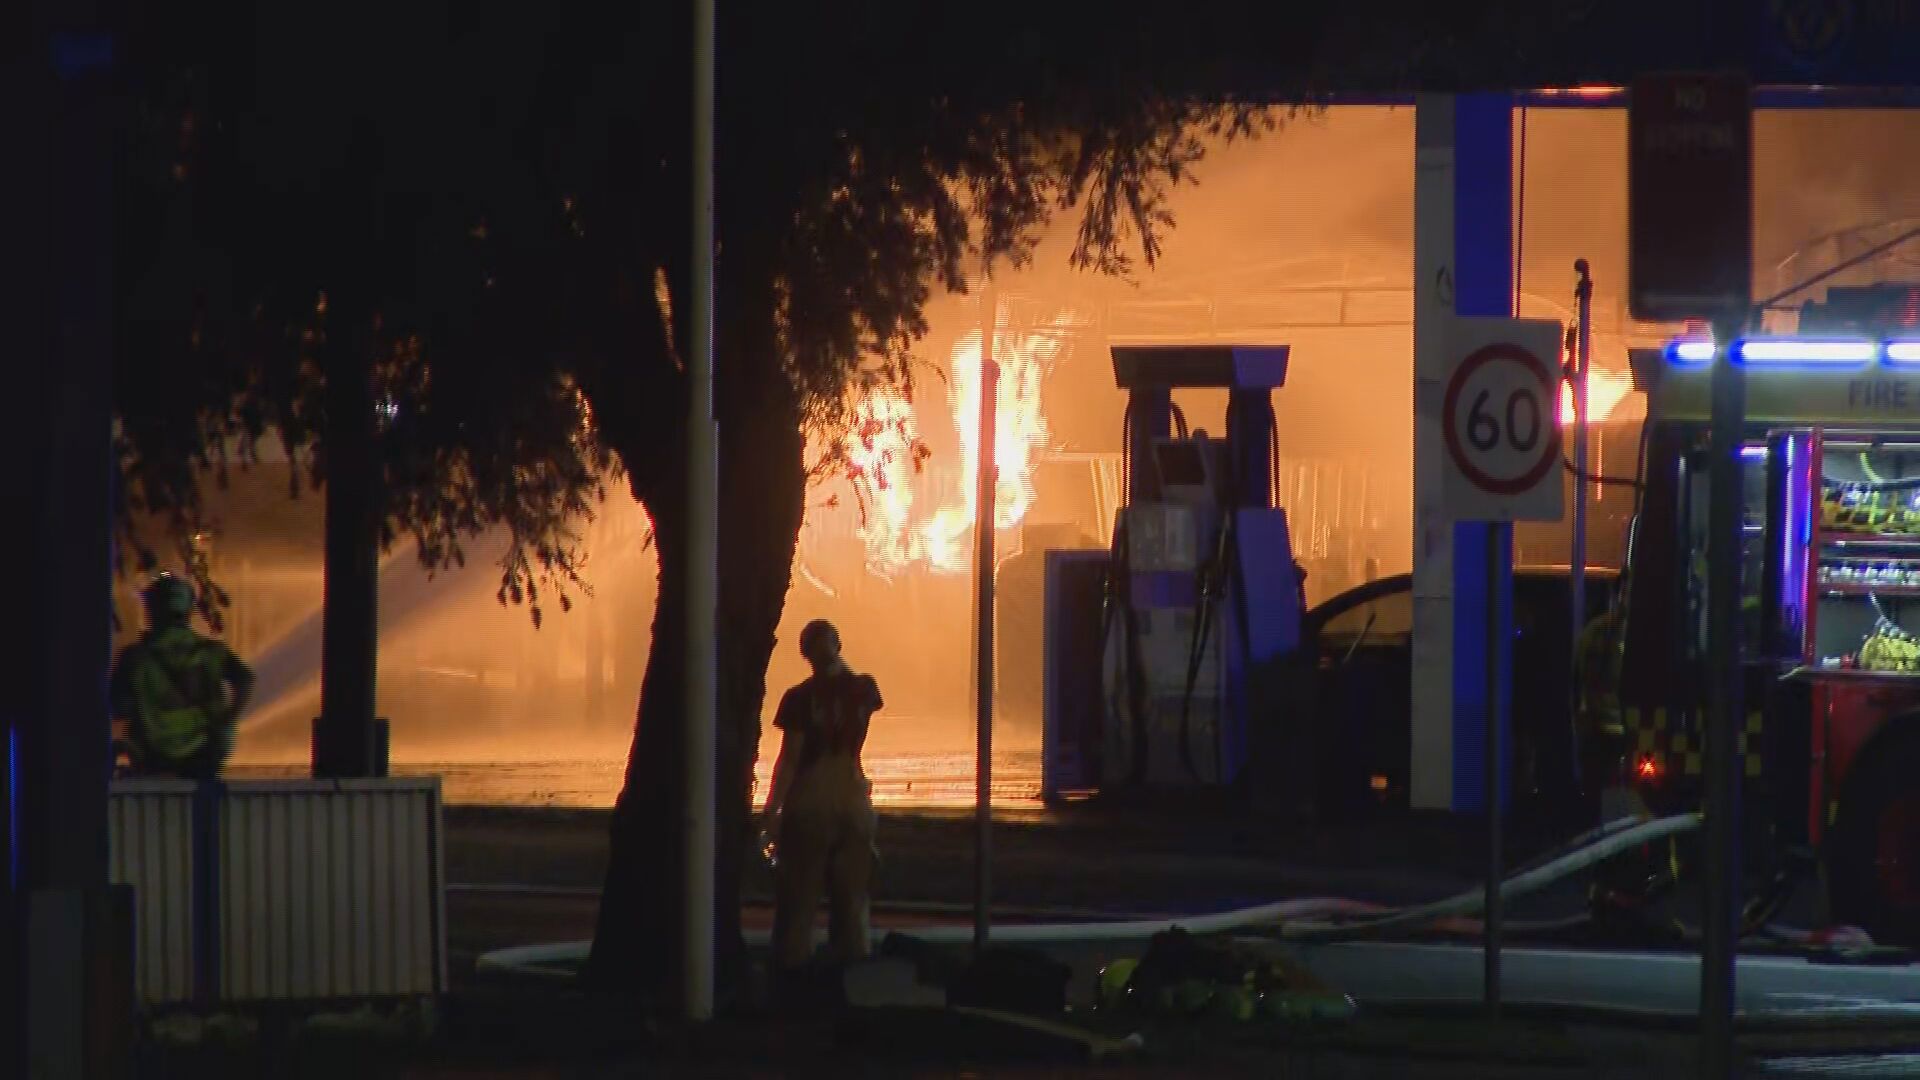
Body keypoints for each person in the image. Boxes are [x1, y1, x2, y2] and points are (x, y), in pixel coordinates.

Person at [763, 619, 883, 981]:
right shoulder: (864, 690)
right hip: (852, 794)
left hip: (811, 798)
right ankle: (854, 972)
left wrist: (772, 810)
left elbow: (790, 759)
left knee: (800, 895)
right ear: (838, 644)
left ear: (805, 654)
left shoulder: (799, 699)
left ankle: (792, 973)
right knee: (852, 896)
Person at [111, 574, 255, 780]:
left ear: (151, 611)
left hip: (152, 756)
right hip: (205, 754)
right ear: (189, 611)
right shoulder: (213, 652)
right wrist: (227, 720)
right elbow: (246, 683)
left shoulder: (134, 657)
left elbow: (119, 708)